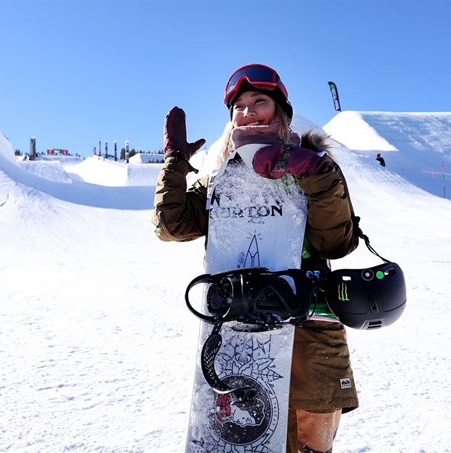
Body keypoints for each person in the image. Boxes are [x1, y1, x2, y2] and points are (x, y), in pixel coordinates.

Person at [152, 63, 360, 453]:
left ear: (280, 111)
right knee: (248, 438)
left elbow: (337, 242)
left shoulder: (315, 164)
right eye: (239, 106)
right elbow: (171, 225)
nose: (247, 111)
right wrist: (176, 161)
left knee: (309, 441)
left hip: (311, 326)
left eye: (259, 102)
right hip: (238, 326)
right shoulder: (221, 176)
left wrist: (309, 169)